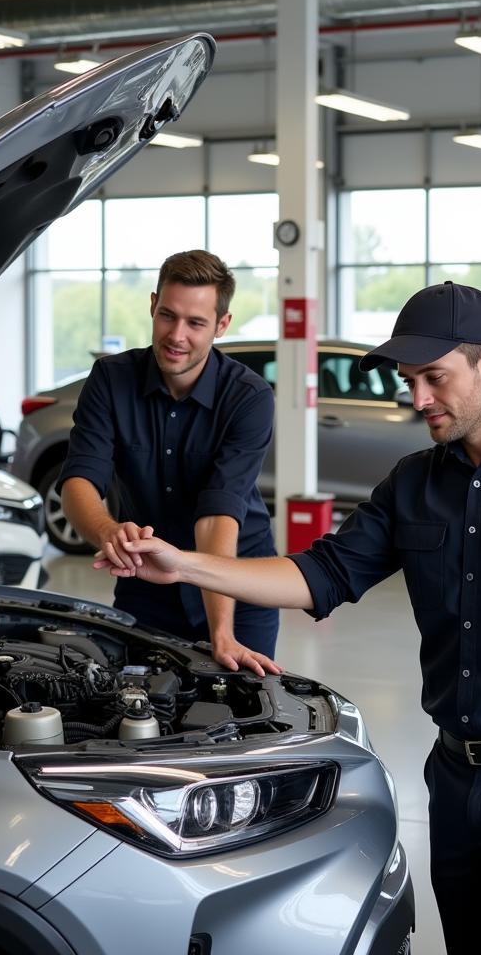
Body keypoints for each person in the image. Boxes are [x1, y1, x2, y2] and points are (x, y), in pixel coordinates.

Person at [94, 282, 481, 955]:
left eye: (434, 379)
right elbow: (318, 574)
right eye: (411, 381)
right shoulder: (413, 483)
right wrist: (187, 565)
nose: (419, 400)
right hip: (458, 779)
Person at [60, 249, 281, 677]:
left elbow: (218, 513)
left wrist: (222, 631)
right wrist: (109, 531)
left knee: (237, 718)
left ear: (221, 325)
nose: (177, 335)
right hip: (148, 583)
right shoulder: (110, 379)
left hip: (236, 586)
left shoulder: (249, 397)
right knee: (143, 712)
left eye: (196, 323)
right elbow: (79, 481)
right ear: (152, 305)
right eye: (167, 315)